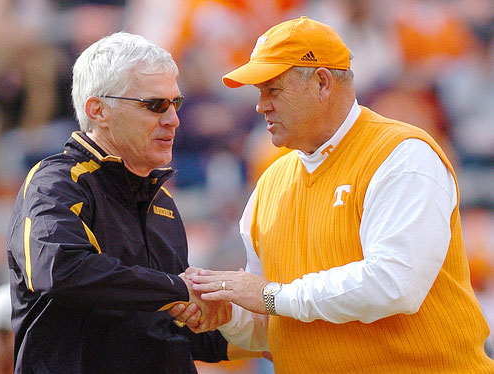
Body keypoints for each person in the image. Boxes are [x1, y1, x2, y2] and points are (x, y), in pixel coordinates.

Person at [181, 16, 494, 374]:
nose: (260, 105)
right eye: (259, 92)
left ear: (322, 82)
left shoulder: (401, 154)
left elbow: (394, 285)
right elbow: (280, 323)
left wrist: (269, 296)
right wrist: (229, 317)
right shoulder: (270, 183)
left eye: (272, 89)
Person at [6, 31, 234, 374]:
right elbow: (60, 270)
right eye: (155, 104)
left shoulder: (163, 201)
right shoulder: (54, 183)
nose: (173, 119)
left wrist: (252, 326)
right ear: (98, 110)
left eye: (177, 103)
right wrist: (178, 289)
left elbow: (167, 328)